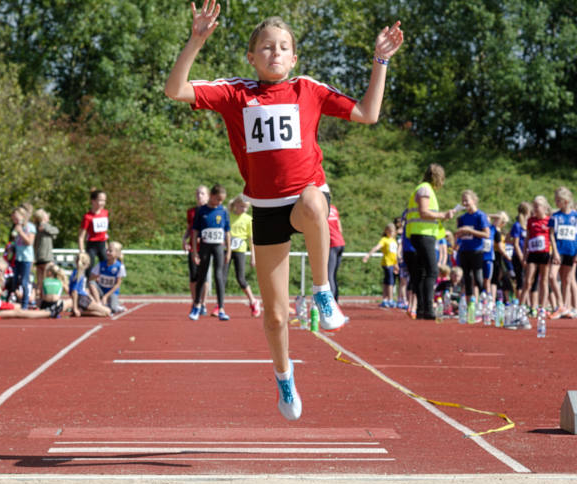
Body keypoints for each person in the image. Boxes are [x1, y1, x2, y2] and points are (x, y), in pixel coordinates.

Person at [165, 3, 403, 420]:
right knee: (275, 319)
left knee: (314, 200)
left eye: (283, 47)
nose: (275, 53)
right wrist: (196, 40)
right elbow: (175, 90)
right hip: (266, 210)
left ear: (294, 58)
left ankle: (322, 291)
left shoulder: (307, 90)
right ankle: (284, 374)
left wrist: (380, 61)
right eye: (267, 47)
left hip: (303, 202)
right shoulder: (236, 93)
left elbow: (369, 114)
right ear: (251, 56)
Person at [406, 164, 455, 320]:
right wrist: (443, 215)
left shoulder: (424, 189)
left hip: (421, 234)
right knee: (432, 271)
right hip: (423, 234)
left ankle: (421, 309)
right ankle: (427, 308)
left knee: (422, 272)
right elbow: (424, 212)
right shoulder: (425, 189)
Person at [189, 184, 231, 321]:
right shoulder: (201, 211)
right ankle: (196, 306)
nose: (220, 202)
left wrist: (229, 251)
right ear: (212, 196)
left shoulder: (223, 211)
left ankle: (221, 308)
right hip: (205, 247)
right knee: (202, 276)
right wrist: (195, 251)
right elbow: (195, 232)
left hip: (218, 247)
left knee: (219, 277)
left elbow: (227, 232)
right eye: (218, 199)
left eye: (222, 200)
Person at [548, 187, 577, 319]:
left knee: (567, 280)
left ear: (566, 201)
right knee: (552, 276)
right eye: (556, 200)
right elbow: (551, 235)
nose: (556, 202)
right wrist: (555, 252)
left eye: (558, 200)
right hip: (559, 251)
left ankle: (567, 307)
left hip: (571, 250)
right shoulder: (555, 216)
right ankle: (560, 304)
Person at [225, 195, 261, 317]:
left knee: (240, 279)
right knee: (221, 278)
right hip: (227, 249)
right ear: (235, 205)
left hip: (240, 250)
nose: (244, 210)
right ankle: (219, 305)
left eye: (246, 208)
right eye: (241, 207)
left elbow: (251, 239)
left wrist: (253, 256)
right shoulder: (228, 216)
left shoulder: (248, 219)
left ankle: (253, 301)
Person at [454, 190, 490, 307]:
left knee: (478, 278)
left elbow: (486, 234)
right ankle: (470, 306)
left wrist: (470, 230)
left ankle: (484, 304)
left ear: (474, 201)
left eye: (467, 200)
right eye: (463, 201)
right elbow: (459, 234)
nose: (464, 203)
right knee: (467, 278)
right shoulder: (463, 218)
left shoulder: (480, 215)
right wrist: (458, 235)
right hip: (464, 250)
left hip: (477, 250)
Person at [519, 196, 553, 313]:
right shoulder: (530, 221)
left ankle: (542, 307)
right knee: (528, 280)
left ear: (544, 208)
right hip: (533, 254)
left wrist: (554, 254)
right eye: (534, 206)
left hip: (545, 253)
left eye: (537, 206)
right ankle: (521, 306)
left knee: (544, 280)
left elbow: (552, 238)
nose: (535, 208)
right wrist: (524, 256)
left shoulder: (549, 221)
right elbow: (527, 239)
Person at [184, 185, 211, 316]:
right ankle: (195, 302)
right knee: (193, 277)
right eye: (197, 194)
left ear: (208, 196)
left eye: (202, 193)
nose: (199, 196)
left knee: (204, 277)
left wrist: (203, 238)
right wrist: (184, 240)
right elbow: (190, 228)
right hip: (193, 249)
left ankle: (204, 303)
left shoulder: (211, 211)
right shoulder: (191, 212)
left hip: (206, 248)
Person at [362, 222, 398, 308]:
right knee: (390, 281)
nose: (391, 233)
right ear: (386, 231)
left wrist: (397, 264)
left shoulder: (394, 240)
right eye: (389, 231)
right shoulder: (384, 240)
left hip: (393, 263)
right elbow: (377, 247)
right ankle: (390, 299)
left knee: (387, 281)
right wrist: (368, 255)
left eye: (393, 231)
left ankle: (385, 299)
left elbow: (395, 254)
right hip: (387, 263)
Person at [77, 189, 109, 278]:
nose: (103, 203)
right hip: (92, 245)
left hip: (102, 244)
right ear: (93, 201)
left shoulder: (105, 213)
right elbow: (81, 236)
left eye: (104, 200)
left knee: (106, 266)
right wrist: (82, 251)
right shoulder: (87, 217)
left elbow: (104, 232)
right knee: (89, 268)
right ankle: (88, 286)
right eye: (100, 200)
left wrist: (107, 245)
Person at [89, 241, 128, 314]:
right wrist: (96, 277)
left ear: (117, 253)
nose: (107, 252)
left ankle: (117, 306)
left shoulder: (120, 267)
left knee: (113, 309)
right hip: (101, 290)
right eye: (107, 250)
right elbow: (91, 278)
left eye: (110, 251)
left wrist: (106, 296)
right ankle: (98, 303)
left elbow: (118, 284)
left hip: (111, 292)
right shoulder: (101, 264)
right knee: (91, 283)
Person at [69, 253, 112, 318]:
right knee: (108, 311)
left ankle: (82, 311)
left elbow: (79, 289)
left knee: (104, 312)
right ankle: (81, 312)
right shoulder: (79, 274)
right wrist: (75, 308)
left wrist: (90, 297)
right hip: (82, 299)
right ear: (87, 264)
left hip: (83, 298)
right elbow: (74, 291)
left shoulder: (76, 272)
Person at [11, 206, 36, 309]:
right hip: (18, 258)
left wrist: (20, 232)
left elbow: (30, 242)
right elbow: (15, 241)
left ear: (23, 216)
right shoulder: (16, 227)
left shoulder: (30, 227)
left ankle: (25, 305)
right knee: (14, 281)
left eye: (16, 218)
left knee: (24, 282)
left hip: (27, 259)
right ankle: (14, 302)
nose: (15, 221)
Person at [33, 208, 59, 301]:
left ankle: (38, 297)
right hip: (46, 256)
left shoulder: (35, 227)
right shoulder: (44, 227)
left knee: (39, 280)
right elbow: (56, 231)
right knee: (46, 279)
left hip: (38, 256)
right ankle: (45, 298)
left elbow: (54, 233)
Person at [508, 202, 530, 302]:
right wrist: (521, 257)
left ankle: (528, 302)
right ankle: (520, 302)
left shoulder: (528, 225)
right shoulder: (517, 225)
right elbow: (515, 243)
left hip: (528, 255)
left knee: (528, 280)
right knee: (520, 280)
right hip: (518, 256)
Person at [327, 204, 345, 303]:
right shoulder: (333, 208)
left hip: (332, 244)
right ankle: (336, 302)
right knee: (333, 275)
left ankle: (332, 304)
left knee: (329, 275)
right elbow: (340, 228)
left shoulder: (321, 208)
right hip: (340, 242)